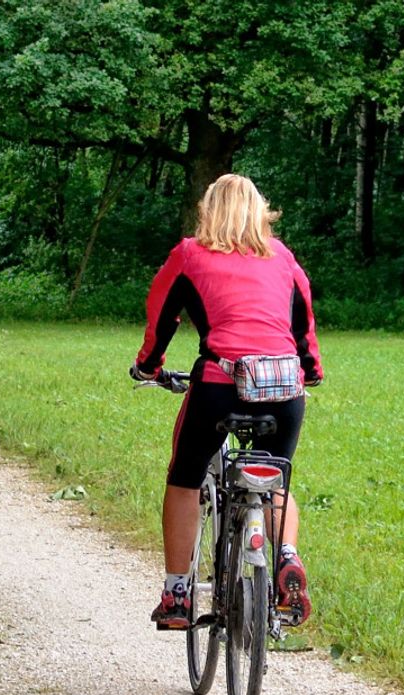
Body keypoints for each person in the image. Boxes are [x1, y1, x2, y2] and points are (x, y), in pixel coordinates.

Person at [130, 173, 323, 629]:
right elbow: (304, 326)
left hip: (220, 384)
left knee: (184, 478)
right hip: (284, 389)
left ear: (208, 211)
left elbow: (162, 317)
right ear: (261, 212)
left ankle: (178, 594)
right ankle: (287, 558)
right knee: (275, 479)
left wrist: (149, 367)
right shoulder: (284, 259)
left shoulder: (189, 254)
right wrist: (309, 371)